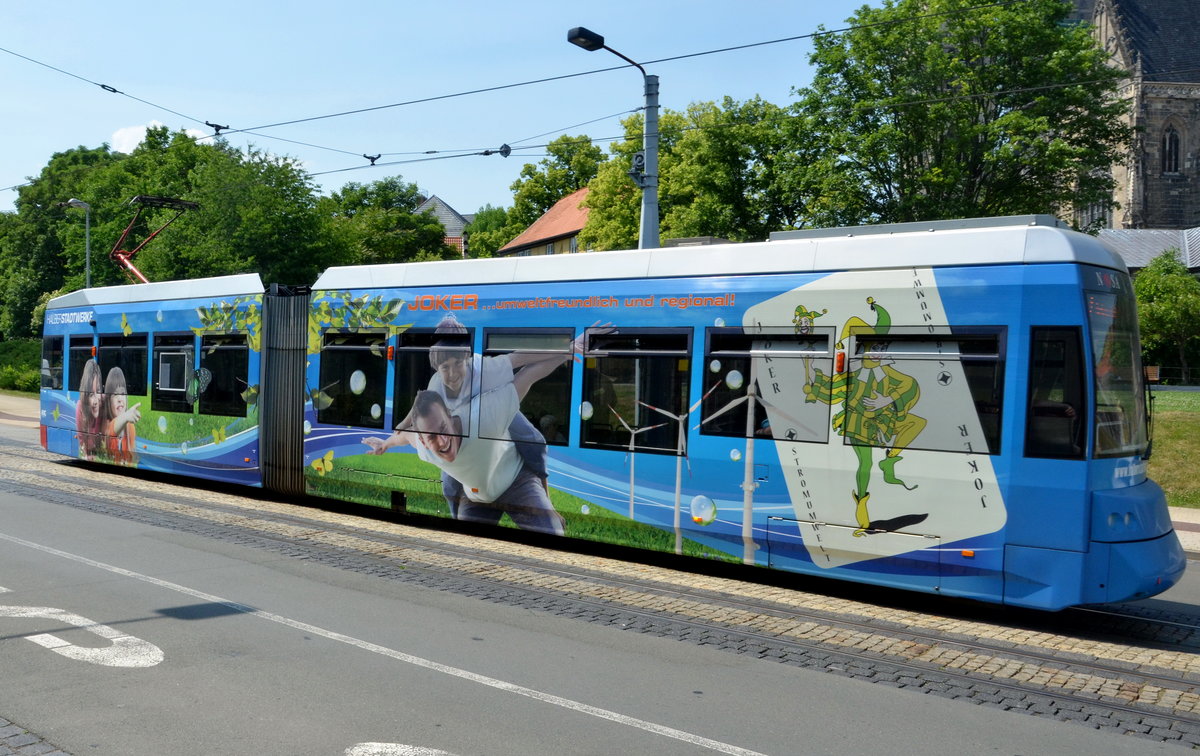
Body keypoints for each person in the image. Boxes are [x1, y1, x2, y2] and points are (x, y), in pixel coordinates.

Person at [364, 346, 569, 535]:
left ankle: (547, 505)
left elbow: (524, 368)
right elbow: (410, 430)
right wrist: (387, 441)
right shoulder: (436, 387)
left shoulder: (486, 376)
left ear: (467, 361)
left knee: (533, 441)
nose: (452, 375)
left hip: (496, 441)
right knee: (449, 483)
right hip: (477, 493)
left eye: (458, 365)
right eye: (445, 368)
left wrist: (567, 350)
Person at [103, 366, 141, 466]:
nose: (120, 399)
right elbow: (111, 431)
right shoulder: (105, 424)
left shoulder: (130, 427)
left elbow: (132, 457)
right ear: (108, 400)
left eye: (123, 393)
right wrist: (125, 417)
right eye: (115, 394)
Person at [75, 358, 104, 461]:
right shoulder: (81, 406)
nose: (96, 400)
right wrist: (87, 454)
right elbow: (81, 436)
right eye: (91, 394)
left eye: (99, 390)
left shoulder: (104, 402)